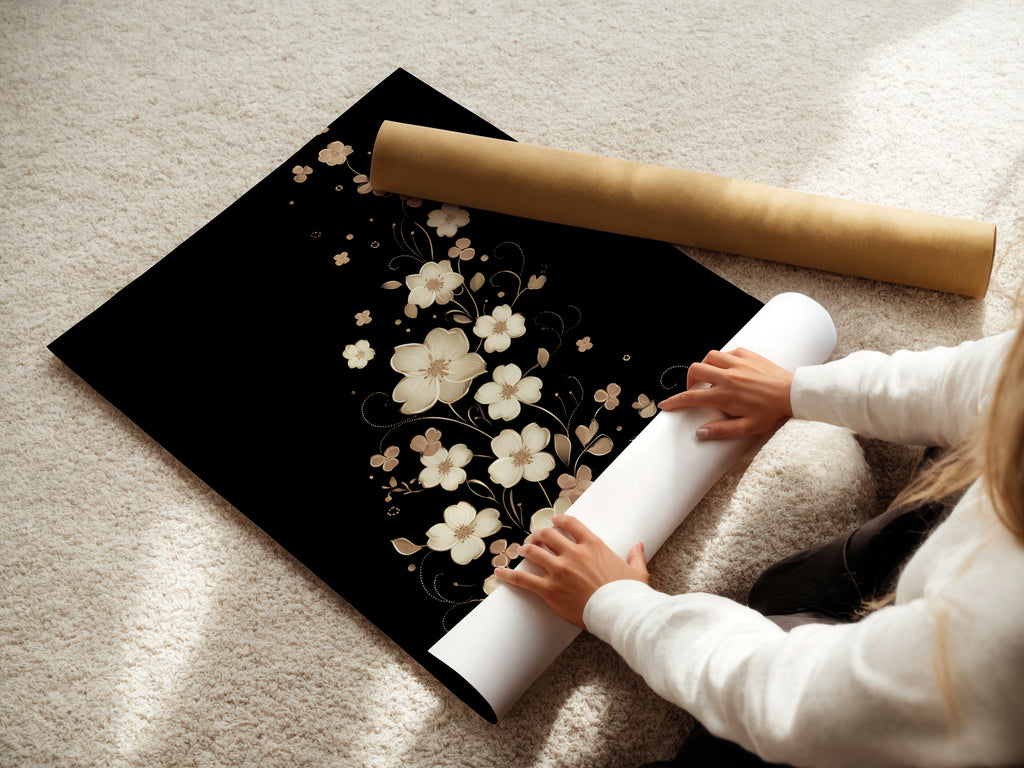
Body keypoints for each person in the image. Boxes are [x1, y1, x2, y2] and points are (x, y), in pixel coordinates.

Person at [494, 324, 1024, 767]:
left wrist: (618, 604)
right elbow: (983, 379)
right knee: (789, 591)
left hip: (943, 720)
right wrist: (797, 390)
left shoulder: (998, 640)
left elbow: (794, 701)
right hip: (956, 597)